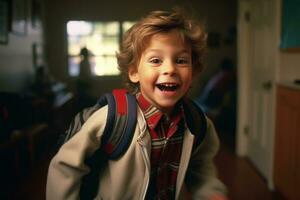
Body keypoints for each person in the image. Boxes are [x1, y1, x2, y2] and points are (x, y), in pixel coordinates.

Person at [47, 9, 227, 200]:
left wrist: (210, 192)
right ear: (134, 72)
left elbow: (201, 168)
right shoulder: (112, 118)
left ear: (194, 70)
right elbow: (66, 167)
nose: (170, 69)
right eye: (156, 60)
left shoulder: (196, 122)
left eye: (181, 60)